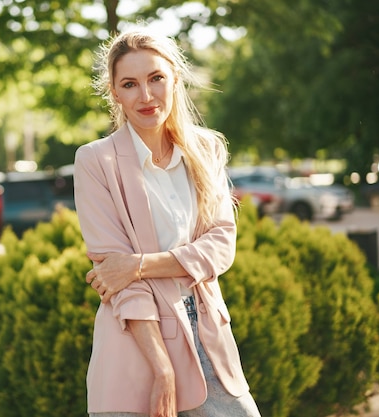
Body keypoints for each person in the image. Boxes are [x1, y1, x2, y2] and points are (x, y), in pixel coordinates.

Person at [73, 27, 261, 417]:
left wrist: (138, 265)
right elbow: (115, 279)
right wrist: (162, 369)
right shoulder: (94, 162)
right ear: (114, 92)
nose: (146, 96)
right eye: (130, 84)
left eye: (156, 78)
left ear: (174, 78)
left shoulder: (206, 149)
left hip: (208, 336)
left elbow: (221, 245)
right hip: (135, 345)